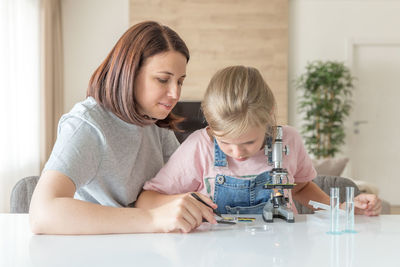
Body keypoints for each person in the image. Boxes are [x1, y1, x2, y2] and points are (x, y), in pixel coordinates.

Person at [135, 65, 382, 232]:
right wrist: (186, 201)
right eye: (225, 143)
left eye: (248, 143)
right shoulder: (199, 146)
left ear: (269, 118)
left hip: (282, 248)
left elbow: (301, 186)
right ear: (210, 126)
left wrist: (336, 208)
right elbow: (147, 199)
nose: (238, 153)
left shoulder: (289, 141)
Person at [29, 21, 217, 235]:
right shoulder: (87, 125)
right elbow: (41, 214)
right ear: (129, 73)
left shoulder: (154, 121)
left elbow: (178, 186)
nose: (175, 94)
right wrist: (153, 218)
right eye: (163, 80)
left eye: (180, 82)